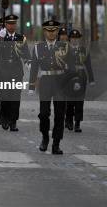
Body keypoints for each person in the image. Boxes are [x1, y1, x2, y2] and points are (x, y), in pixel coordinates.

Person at [29, 20, 69, 154]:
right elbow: (34, 68)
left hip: (60, 82)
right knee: (44, 113)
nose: (51, 33)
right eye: (48, 31)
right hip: (45, 81)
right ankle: (45, 137)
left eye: (54, 31)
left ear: (57, 32)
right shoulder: (38, 47)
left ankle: (56, 144)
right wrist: (31, 86)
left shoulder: (64, 47)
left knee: (59, 114)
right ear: (44, 32)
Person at [0, 14, 30, 131]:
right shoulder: (0, 36)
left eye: (13, 23)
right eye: (9, 23)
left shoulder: (21, 38)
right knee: (5, 95)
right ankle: (4, 117)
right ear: (6, 25)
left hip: (16, 71)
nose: (12, 26)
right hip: (3, 71)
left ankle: (13, 121)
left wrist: (29, 63)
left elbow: (26, 54)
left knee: (15, 96)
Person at [64, 29, 95, 133]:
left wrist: (91, 79)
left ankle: (77, 123)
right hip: (68, 77)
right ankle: (68, 120)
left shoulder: (83, 50)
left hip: (81, 77)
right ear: (70, 39)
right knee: (70, 101)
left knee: (79, 102)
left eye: (76, 38)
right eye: (73, 38)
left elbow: (88, 65)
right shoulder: (65, 50)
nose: (75, 40)